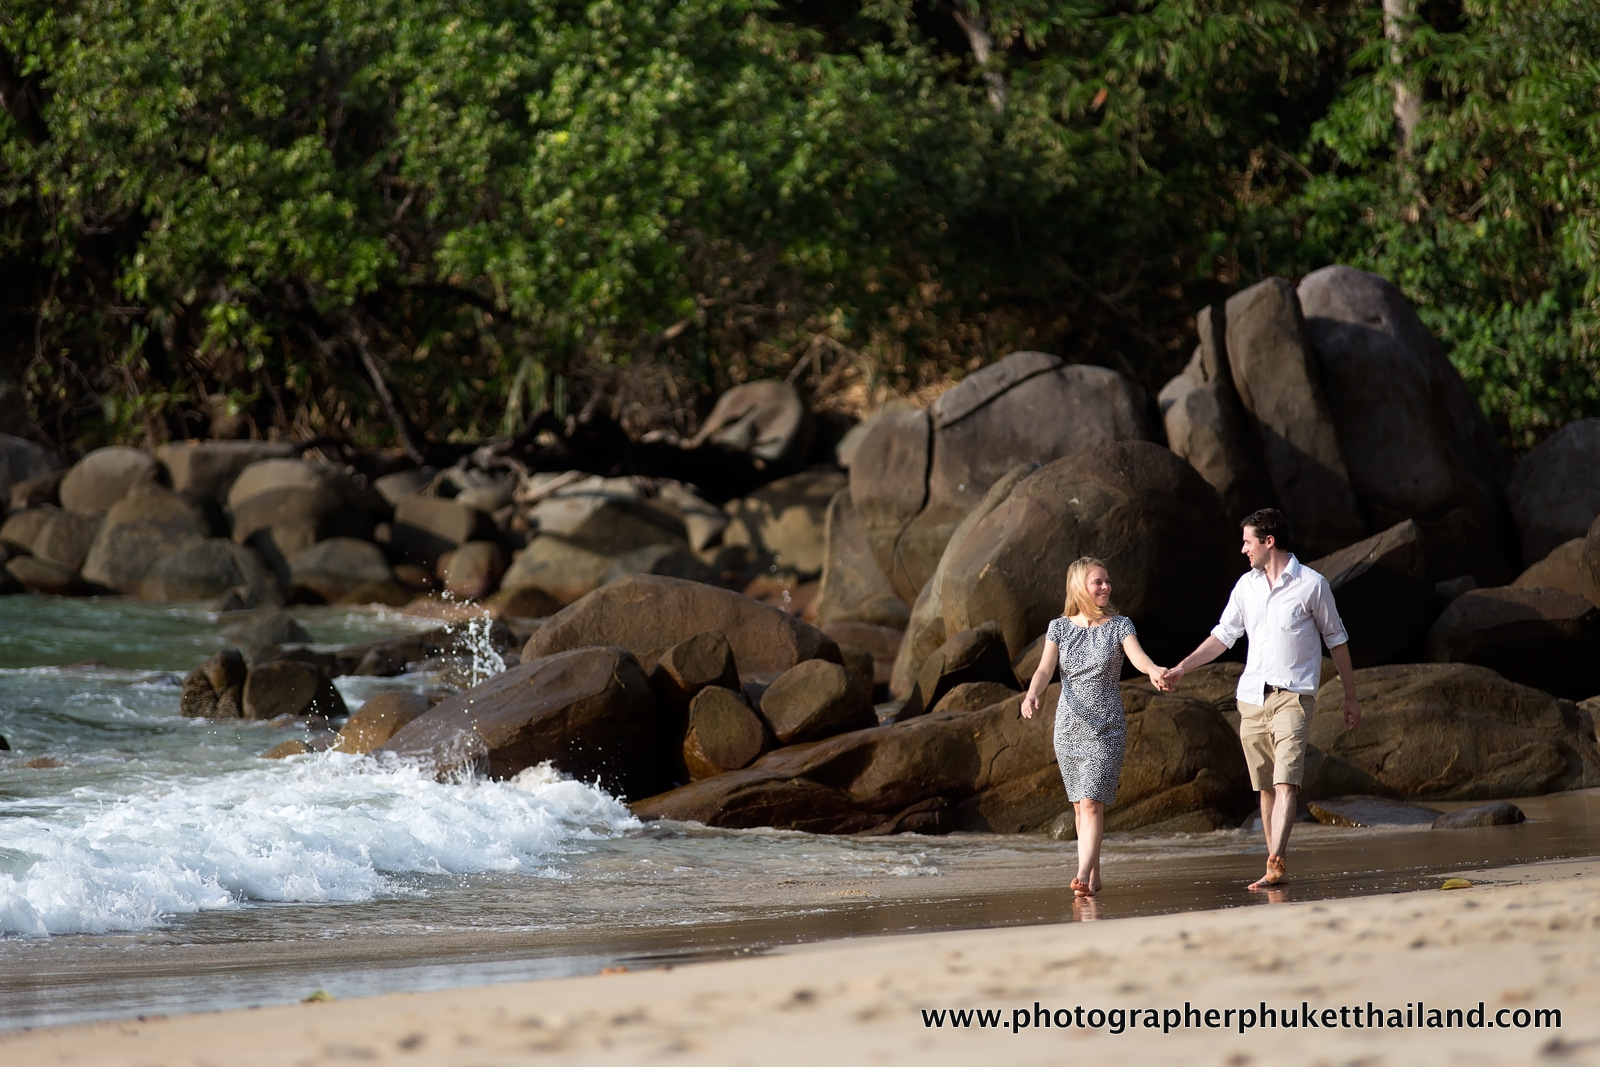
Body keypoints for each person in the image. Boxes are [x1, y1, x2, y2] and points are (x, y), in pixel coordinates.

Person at [1163, 508, 1361, 890]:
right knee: (1266, 786)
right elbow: (1223, 636)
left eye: (1247, 541)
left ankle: (1276, 859)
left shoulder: (1311, 585)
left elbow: (1336, 639)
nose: (1242, 549)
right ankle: (1275, 869)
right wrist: (1183, 667)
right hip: (1251, 699)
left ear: (1269, 542)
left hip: (1294, 696)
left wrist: (1350, 696)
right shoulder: (1246, 587)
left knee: (1286, 781)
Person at [1021, 557, 1170, 898]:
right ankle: (1094, 878)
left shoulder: (1120, 625)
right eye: (1098, 582)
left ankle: (1081, 872)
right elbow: (1045, 669)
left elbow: (1138, 658)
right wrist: (1032, 694)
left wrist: (1153, 670)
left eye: (1107, 581)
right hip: (1069, 727)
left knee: (1091, 803)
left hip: (1106, 727)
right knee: (1080, 806)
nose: (1106, 587)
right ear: (1079, 588)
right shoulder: (1058, 627)